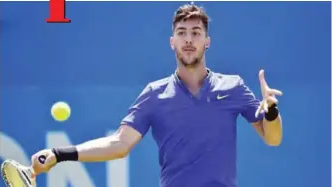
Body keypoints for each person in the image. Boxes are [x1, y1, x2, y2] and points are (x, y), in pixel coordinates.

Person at [31, 4, 283, 187]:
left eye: (196, 33)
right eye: (182, 33)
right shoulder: (154, 94)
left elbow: (272, 138)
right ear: (172, 41)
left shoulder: (233, 86)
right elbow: (119, 144)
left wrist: (271, 111)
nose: (188, 39)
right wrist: (60, 154)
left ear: (207, 41)